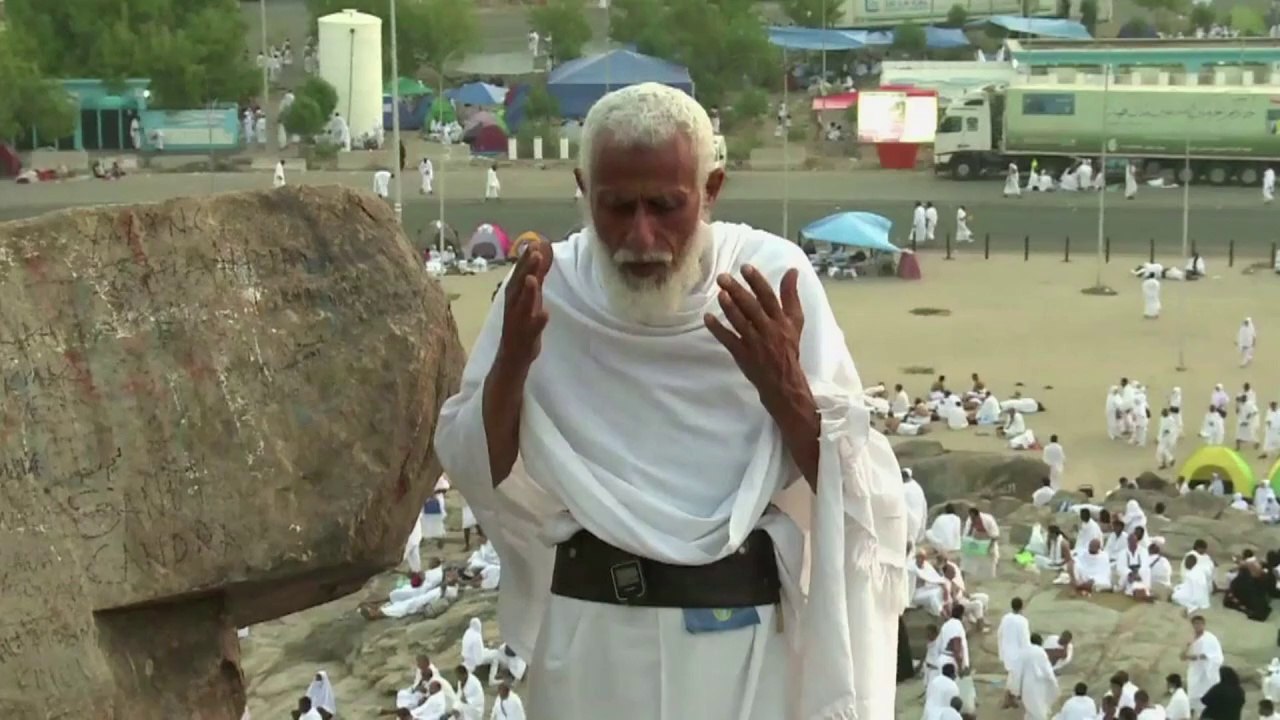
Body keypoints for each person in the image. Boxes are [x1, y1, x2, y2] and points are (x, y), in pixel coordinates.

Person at [434, 82, 908, 720]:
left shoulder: (770, 278)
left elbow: (860, 492)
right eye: (616, 207)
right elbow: (478, 469)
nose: (641, 235)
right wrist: (513, 363)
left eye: (665, 206)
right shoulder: (549, 289)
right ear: (583, 189)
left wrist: (784, 388)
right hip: (590, 645)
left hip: (742, 647)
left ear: (711, 190)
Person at [1013, 633, 1060, 719]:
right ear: (1040, 642)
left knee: (1030, 709)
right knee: (1039, 708)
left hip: (1026, 685)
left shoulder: (1023, 652)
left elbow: (1017, 672)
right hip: (1039, 684)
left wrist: (1016, 689)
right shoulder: (1041, 653)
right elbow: (1047, 670)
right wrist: (1054, 682)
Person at [1184, 616, 1225, 715]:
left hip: (1207, 671)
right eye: (1195, 624)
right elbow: (1182, 656)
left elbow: (1215, 654)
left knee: (1206, 695)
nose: (1197, 626)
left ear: (1203, 624)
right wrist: (1187, 647)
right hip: (1195, 670)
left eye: (1200, 623)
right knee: (1193, 694)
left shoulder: (1210, 638)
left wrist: (1195, 657)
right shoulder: (1191, 638)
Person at [998, 597, 1032, 707]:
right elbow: (1025, 639)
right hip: (1018, 653)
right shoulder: (1023, 621)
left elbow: (1000, 634)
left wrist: (1001, 650)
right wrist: (1028, 652)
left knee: (1012, 676)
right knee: (1015, 678)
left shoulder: (1005, 618)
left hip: (1007, 651)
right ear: (1022, 607)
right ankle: (1008, 698)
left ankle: (1011, 698)